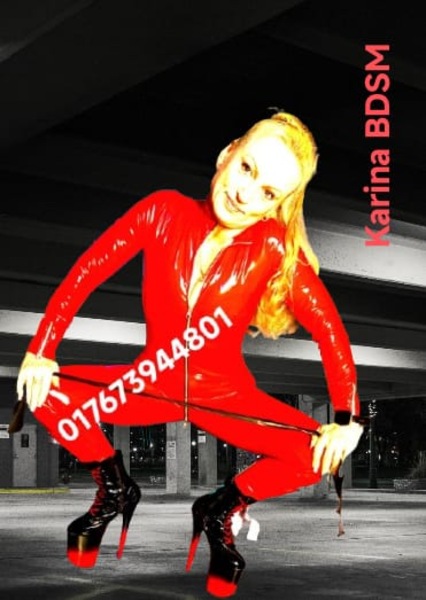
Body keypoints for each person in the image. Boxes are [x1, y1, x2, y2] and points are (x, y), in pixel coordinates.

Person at [15, 111, 364, 598]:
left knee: (318, 455)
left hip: (224, 395)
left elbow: (329, 327)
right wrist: (41, 349)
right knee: (43, 391)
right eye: (247, 168)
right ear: (227, 153)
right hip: (149, 383)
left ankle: (222, 508)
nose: (246, 193)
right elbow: (88, 270)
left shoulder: (272, 248)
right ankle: (115, 489)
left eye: (268, 193)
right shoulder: (163, 211)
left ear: (276, 206)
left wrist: (346, 418)